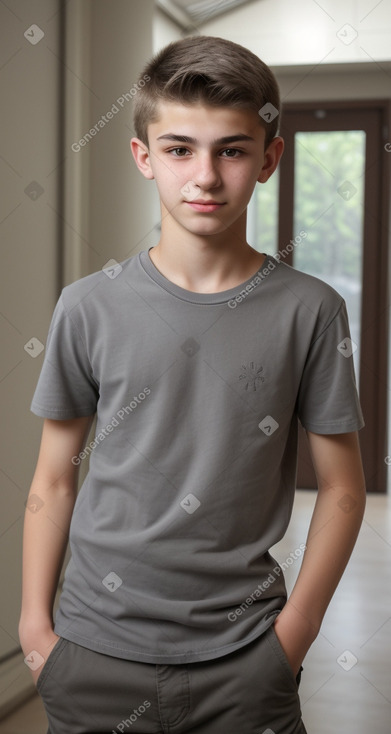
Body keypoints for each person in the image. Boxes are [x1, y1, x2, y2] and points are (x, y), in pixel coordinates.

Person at [19, 35, 366, 734]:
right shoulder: (87, 305)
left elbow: (342, 487)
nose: (204, 176)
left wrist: (290, 637)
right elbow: (53, 481)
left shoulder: (310, 309)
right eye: (178, 149)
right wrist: (36, 635)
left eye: (231, 150)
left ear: (268, 158)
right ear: (143, 157)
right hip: (90, 650)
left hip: (246, 659)